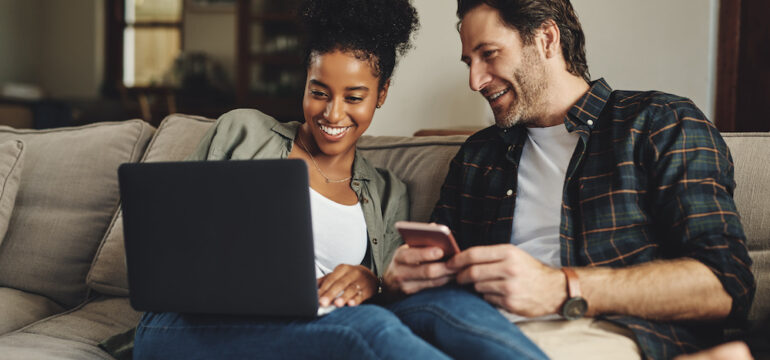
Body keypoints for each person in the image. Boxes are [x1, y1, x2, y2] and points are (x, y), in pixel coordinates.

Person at [382, 0, 755, 359]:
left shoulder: (659, 122)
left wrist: (560, 287)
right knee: (358, 326)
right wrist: (402, 279)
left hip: (598, 332)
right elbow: (435, 272)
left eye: (489, 54)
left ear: (546, 39)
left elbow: (726, 284)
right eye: (469, 62)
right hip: (474, 330)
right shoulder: (479, 156)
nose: (474, 80)